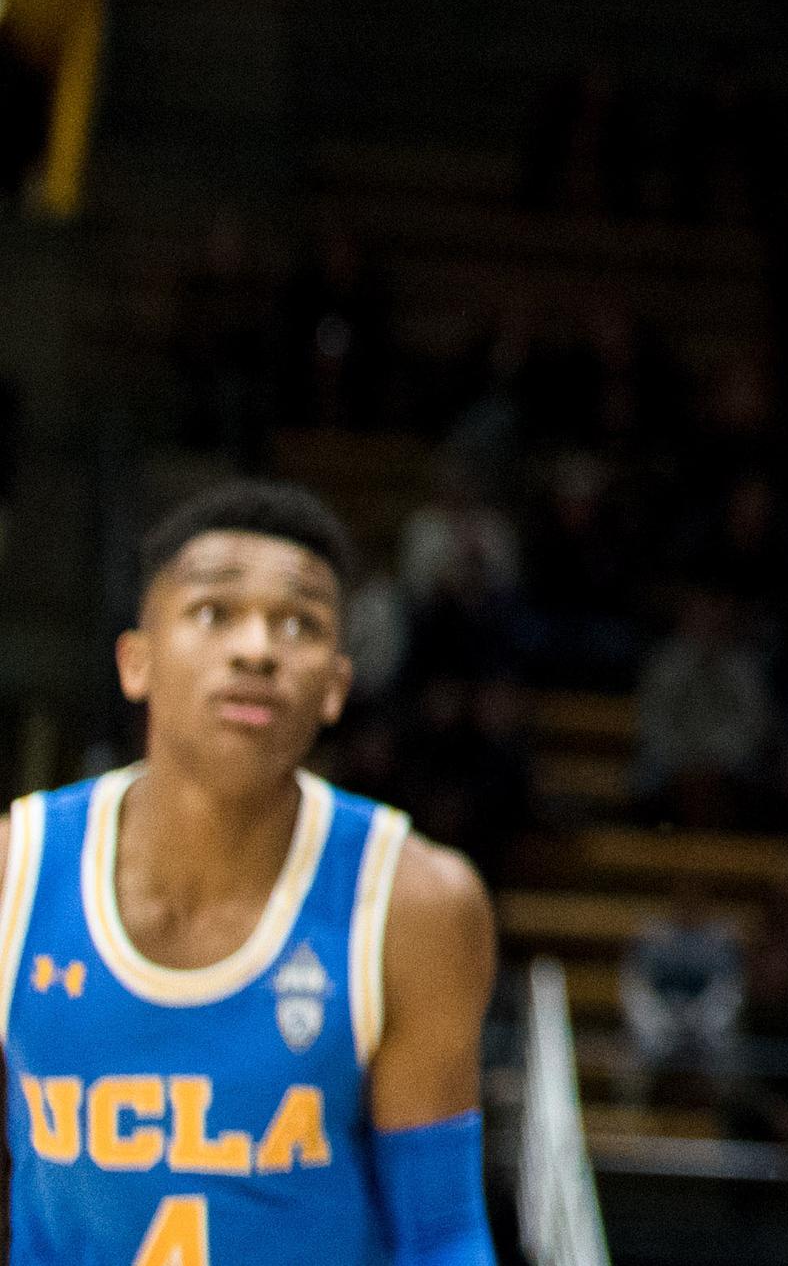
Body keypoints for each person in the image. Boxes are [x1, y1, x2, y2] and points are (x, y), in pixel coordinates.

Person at [0, 479, 497, 1264]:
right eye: (214, 611)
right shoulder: (15, 873)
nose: (258, 647)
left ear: (336, 685)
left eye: (299, 623)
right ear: (137, 661)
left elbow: (441, 1235)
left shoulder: (414, 901)